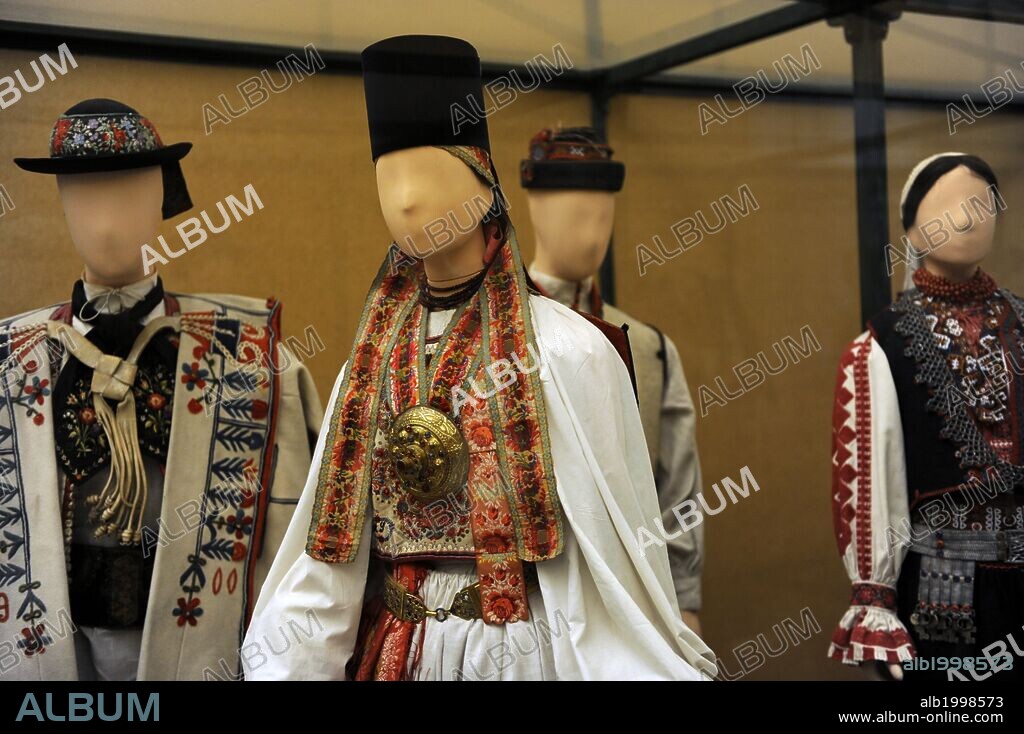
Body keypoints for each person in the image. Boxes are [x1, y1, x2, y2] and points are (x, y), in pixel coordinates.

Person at [244, 35, 716, 681]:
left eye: (434, 172)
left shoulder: (569, 350)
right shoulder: (368, 366)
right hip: (400, 647)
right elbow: (330, 550)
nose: (408, 198)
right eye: (390, 175)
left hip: (520, 647)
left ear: (485, 187)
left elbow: (608, 568)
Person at [0, 98, 322, 681]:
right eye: (85, 193)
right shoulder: (9, 361)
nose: (106, 220)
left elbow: (302, 544)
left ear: (162, 196)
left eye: (128, 193)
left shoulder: (253, 357)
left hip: (204, 651)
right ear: (61, 202)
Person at [829, 152, 1022, 680]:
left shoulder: (1021, 323)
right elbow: (872, 475)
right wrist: (876, 596)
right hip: (942, 590)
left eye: (982, 203)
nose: (967, 217)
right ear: (911, 223)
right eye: (948, 204)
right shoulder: (882, 343)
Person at [521, 126, 705, 631]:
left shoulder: (648, 349)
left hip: (632, 609)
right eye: (577, 215)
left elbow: (677, 491)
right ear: (534, 208)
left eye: (604, 216)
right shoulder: (501, 345)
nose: (593, 233)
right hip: (527, 612)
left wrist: (684, 602)